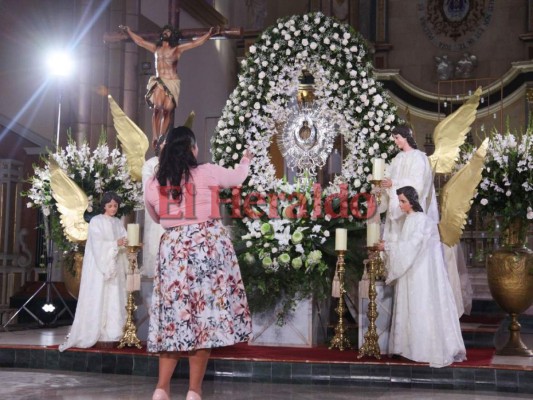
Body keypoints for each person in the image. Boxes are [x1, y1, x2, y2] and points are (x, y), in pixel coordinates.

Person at [144, 126, 253, 400]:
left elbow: (156, 217)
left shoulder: (155, 182)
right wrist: (247, 158)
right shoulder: (207, 171)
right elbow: (238, 178)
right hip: (207, 246)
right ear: (193, 149)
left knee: (174, 320)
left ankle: (161, 388)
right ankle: (194, 391)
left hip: (175, 250)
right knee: (203, 321)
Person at [379, 124, 469, 317]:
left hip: (411, 218)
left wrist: (394, 184)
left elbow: (418, 187)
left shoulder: (420, 158)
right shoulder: (396, 159)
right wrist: (385, 186)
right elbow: (391, 183)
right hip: (397, 218)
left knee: (415, 267)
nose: (395, 142)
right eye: (394, 139)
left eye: (397, 138)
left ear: (406, 137)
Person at [376, 186, 466, 368]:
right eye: (400, 201)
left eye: (403, 201)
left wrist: (388, 247)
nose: (400, 205)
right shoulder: (411, 219)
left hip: (421, 274)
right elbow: (406, 244)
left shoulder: (422, 220)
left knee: (421, 307)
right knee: (411, 306)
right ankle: (408, 349)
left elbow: (412, 246)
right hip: (412, 271)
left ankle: (422, 349)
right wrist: (390, 244)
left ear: (412, 201)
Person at [119, 24, 217, 148]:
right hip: (159, 81)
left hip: (172, 82)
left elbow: (195, 43)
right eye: (164, 31)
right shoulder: (156, 49)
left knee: (166, 111)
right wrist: (129, 31)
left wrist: (208, 34)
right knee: (156, 109)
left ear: (173, 35)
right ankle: (155, 136)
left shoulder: (177, 49)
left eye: (169, 31)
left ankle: (162, 135)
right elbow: (140, 41)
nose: (166, 32)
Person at [59, 192, 128, 351]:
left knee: (114, 296)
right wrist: (114, 244)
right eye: (110, 205)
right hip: (100, 267)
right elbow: (97, 244)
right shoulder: (96, 221)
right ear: (104, 206)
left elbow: (124, 240)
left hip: (114, 266)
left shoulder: (118, 222)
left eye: (115, 206)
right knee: (100, 296)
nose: (113, 208)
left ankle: (114, 332)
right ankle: (96, 331)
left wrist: (128, 244)